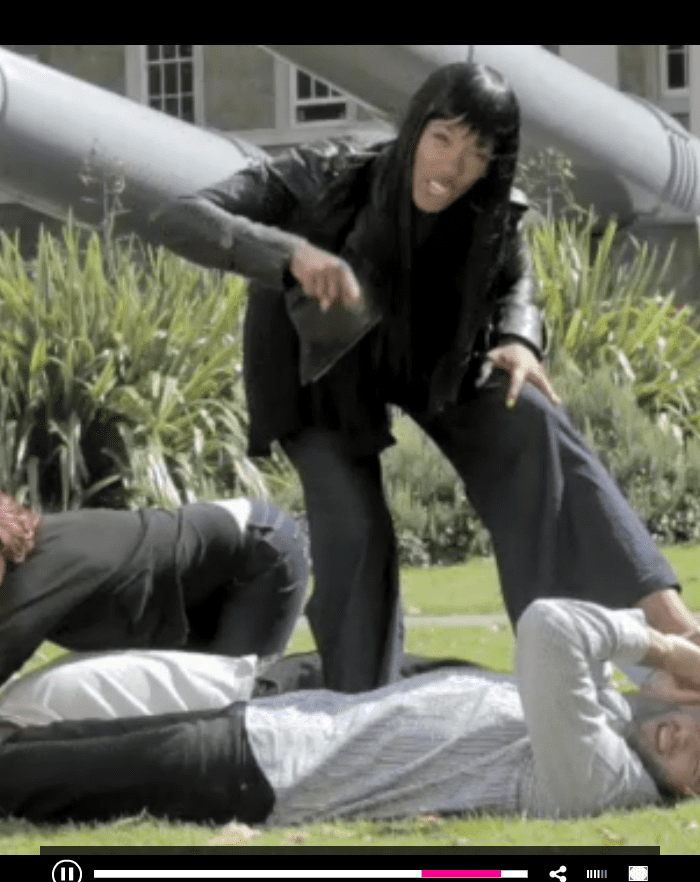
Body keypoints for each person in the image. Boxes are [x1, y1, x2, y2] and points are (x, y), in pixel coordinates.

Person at [150, 62, 696, 693]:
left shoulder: (490, 211)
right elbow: (180, 217)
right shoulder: (322, 176)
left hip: (435, 360)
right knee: (358, 535)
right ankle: (366, 704)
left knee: (531, 418)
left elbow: (516, 283)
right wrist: (291, 255)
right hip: (320, 377)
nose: (453, 168)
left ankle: (668, 633)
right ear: (415, 130)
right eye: (443, 139)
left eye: (477, 154)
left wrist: (519, 340)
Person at [1, 597, 699, 825]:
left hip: (258, 777)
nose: (683, 739)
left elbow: (553, 627)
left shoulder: (603, 778)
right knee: (43, 745)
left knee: (30, 775)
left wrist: (672, 650)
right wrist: (669, 677)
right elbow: (594, 644)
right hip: (267, 731)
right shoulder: (611, 719)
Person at [0, 493, 309, 690]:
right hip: (222, 571)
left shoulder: (38, 576)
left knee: (231, 704)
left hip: (259, 553)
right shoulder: (38, 550)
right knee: (190, 713)